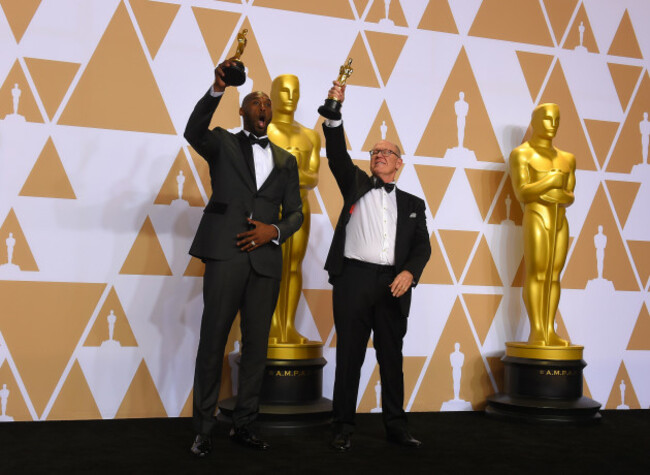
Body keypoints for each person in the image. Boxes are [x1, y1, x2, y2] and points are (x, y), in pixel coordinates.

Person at [184, 60, 303, 457]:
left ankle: (244, 424)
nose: (263, 106)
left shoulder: (287, 160)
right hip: (226, 253)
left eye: (267, 102)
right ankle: (204, 428)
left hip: (266, 262)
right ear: (242, 110)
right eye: (256, 101)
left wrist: (276, 231)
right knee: (213, 340)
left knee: (256, 348)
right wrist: (217, 87)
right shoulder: (222, 142)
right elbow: (192, 131)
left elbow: (296, 213)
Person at [322, 81, 431, 451]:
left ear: (400, 163)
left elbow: (422, 247)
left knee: (391, 357)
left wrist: (409, 273)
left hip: (393, 284)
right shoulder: (354, 183)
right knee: (349, 354)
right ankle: (342, 427)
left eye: (387, 152)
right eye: (374, 151)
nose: (379, 154)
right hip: (353, 278)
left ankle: (397, 427)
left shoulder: (415, 203)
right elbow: (336, 153)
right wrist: (334, 112)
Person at [509, 103, 575, 347]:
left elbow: (569, 195)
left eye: (556, 119)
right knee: (537, 273)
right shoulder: (522, 154)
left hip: (559, 220)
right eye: (547, 118)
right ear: (535, 122)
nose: (553, 124)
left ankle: (549, 329)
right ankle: (537, 330)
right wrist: (551, 182)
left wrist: (557, 193)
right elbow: (523, 193)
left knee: (554, 275)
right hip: (536, 217)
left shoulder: (567, 158)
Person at [266, 74, 320, 344]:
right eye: (284, 91)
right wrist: (294, 172)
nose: (290, 97)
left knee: (294, 266)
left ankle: (288, 327)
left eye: (295, 92)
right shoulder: (263, 131)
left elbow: (313, 177)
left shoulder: (310, 136)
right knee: (269, 266)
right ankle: (270, 327)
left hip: (299, 209)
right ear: (274, 93)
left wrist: (286, 172)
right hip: (268, 209)